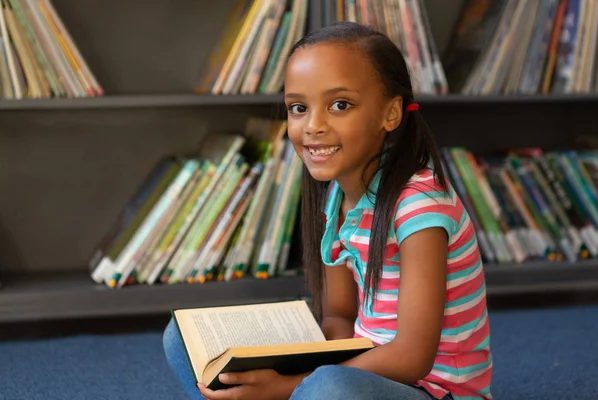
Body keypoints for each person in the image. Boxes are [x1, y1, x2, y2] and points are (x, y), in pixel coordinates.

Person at [163, 21, 493, 400]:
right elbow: (338, 316)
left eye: (340, 105)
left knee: (330, 389)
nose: (313, 126)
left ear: (391, 113)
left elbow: (412, 357)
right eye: (298, 108)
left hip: (431, 390)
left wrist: (291, 386)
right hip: (357, 367)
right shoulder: (336, 198)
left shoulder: (420, 205)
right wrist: (302, 367)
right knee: (183, 337)